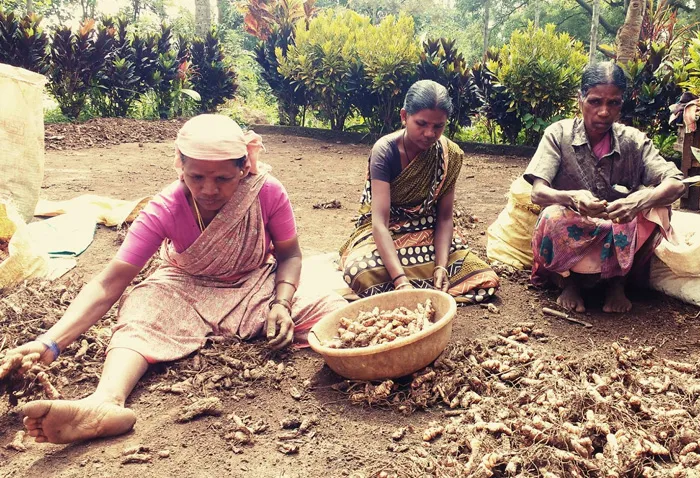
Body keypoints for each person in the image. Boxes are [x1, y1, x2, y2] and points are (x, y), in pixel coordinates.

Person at [4, 114, 346, 444]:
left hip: (254, 284)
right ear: (180, 167)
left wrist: (282, 304)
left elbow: (290, 256)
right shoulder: (166, 207)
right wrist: (50, 342)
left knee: (334, 310)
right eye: (197, 177)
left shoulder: (267, 193)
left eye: (223, 179)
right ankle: (104, 402)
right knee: (140, 308)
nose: (208, 190)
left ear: (244, 168)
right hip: (184, 286)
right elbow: (110, 283)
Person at [524, 62, 685, 313]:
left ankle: (616, 284)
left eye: (614, 103)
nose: (603, 112)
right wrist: (572, 198)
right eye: (595, 101)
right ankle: (569, 282)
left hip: (619, 227)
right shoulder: (558, 134)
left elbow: (676, 183)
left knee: (659, 208)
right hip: (574, 227)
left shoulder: (634, 141)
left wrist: (639, 201)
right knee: (551, 215)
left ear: (623, 103)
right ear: (580, 99)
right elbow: (538, 192)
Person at [339, 80, 500, 303]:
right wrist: (400, 280)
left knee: (483, 276)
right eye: (421, 123)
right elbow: (379, 223)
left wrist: (441, 267)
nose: (429, 133)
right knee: (360, 270)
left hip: (428, 229)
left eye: (438, 126)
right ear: (404, 116)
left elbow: (444, 218)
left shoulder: (449, 155)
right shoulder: (385, 151)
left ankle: (421, 288)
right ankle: (412, 288)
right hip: (387, 231)